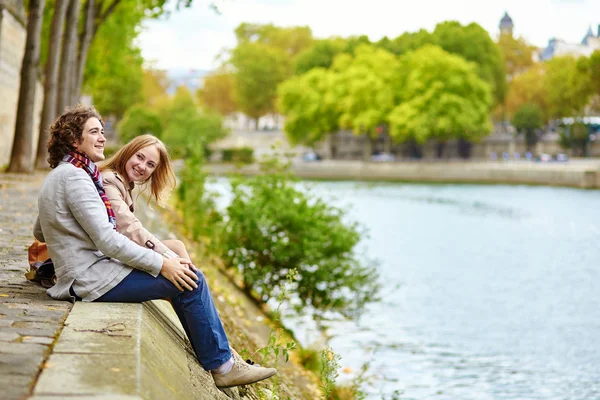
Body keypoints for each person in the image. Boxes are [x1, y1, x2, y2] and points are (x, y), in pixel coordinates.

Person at [33, 105, 276, 389]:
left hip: (87, 274)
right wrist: (162, 263)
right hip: (89, 280)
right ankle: (223, 367)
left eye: (102, 131)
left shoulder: (67, 173)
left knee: (183, 276)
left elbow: (39, 229)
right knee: (191, 281)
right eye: (94, 132)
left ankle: (222, 355)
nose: (102, 137)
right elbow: (108, 241)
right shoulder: (76, 178)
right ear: (74, 140)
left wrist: (69, 237)